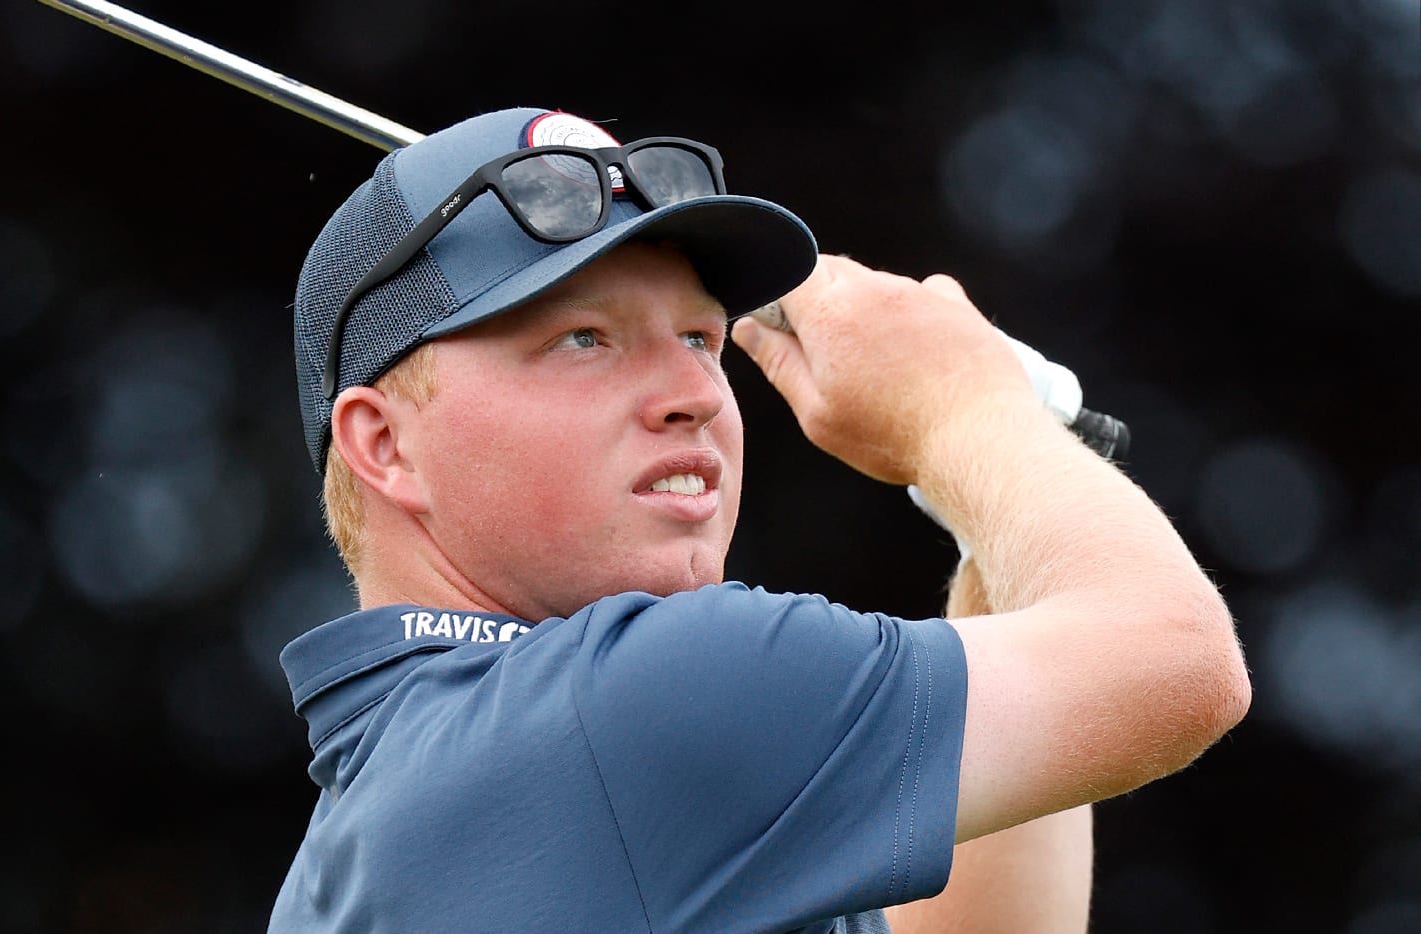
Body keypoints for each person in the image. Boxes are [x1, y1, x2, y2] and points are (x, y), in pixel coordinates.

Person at [269, 107, 1250, 933]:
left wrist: (990, 450)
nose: (691, 392)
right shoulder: (636, 701)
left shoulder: (373, 831)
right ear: (385, 445)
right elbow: (1176, 664)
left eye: (701, 337)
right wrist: (962, 414)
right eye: (583, 337)